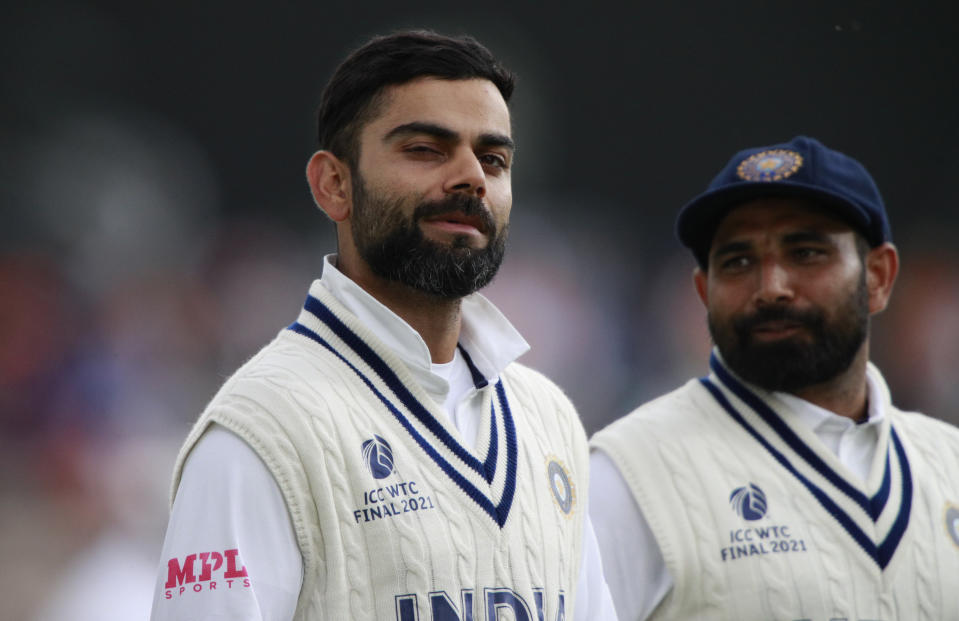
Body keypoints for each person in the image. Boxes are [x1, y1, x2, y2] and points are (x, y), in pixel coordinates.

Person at [150, 30, 617, 621]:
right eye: (425, 149)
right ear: (333, 185)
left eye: (493, 159)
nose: (471, 176)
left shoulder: (549, 419)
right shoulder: (259, 435)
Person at [590, 135, 959, 620]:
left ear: (879, 277)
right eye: (738, 261)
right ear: (704, 290)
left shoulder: (949, 462)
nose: (772, 287)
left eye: (806, 253)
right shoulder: (628, 474)